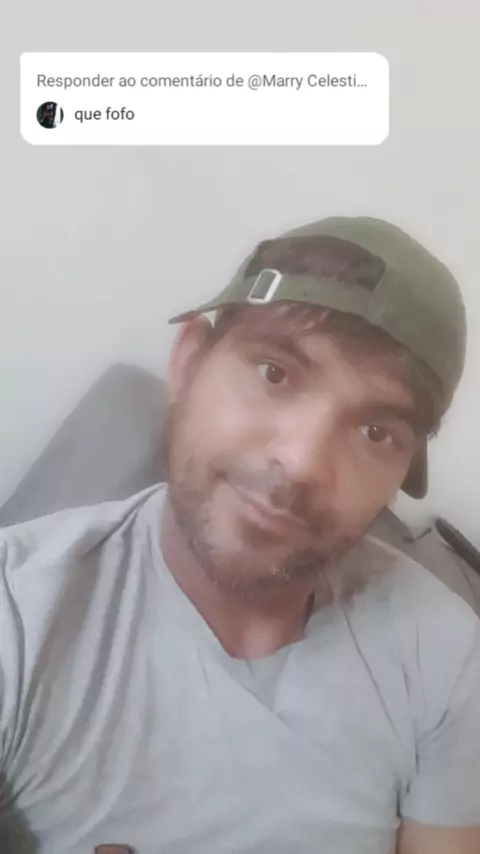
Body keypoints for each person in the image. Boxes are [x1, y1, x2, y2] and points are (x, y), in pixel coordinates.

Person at [0, 216, 479, 854]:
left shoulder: (446, 653)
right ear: (188, 361)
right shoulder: (21, 618)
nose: (302, 463)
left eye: (375, 432)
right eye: (275, 373)